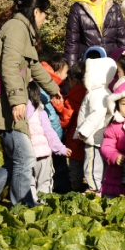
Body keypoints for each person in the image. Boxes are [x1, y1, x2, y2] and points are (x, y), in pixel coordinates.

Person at [0, 0, 62, 212]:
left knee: (20, 158)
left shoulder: (22, 30)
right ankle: (22, 206)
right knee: (26, 155)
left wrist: (53, 88)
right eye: (45, 14)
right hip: (4, 104)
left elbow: (33, 66)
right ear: (37, 11)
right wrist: (17, 101)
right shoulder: (16, 28)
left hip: (9, 102)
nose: (44, 19)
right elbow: (9, 66)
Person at [64, 0, 125, 66]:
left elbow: (122, 38)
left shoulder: (113, 7)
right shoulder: (77, 9)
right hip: (89, 64)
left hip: (112, 64)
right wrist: (72, 70)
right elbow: (72, 43)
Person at [74, 52, 117, 194]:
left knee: (91, 163)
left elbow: (96, 114)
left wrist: (83, 131)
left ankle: (94, 188)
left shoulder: (96, 94)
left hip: (93, 137)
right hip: (98, 136)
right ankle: (98, 186)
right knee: (98, 163)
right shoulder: (104, 92)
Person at [25, 82, 71, 203]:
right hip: (43, 155)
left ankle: (31, 206)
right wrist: (61, 148)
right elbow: (50, 133)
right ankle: (43, 207)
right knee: (45, 182)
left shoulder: (18, 114)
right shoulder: (40, 112)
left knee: (29, 183)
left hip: (26, 155)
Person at [51, 61, 87, 191]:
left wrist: (59, 109)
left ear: (75, 81)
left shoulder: (72, 97)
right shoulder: (88, 93)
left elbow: (66, 118)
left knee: (75, 167)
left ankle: (75, 188)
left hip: (74, 139)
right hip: (87, 139)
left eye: (69, 81)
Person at [39, 54, 70, 193]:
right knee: (58, 163)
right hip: (52, 132)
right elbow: (49, 113)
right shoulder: (47, 86)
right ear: (57, 72)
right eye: (66, 72)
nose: (67, 75)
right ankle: (60, 189)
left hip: (51, 130)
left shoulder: (45, 83)